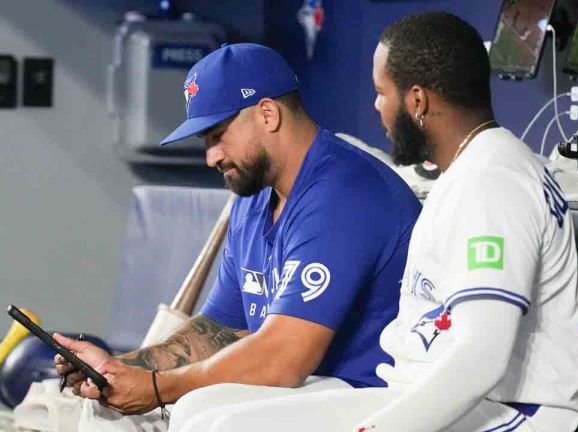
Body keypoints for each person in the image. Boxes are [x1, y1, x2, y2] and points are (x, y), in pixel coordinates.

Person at [169, 12, 578, 432]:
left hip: (512, 414)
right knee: (197, 411)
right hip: (423, 394)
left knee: (225, 429)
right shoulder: (468, 172)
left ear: (417, 101)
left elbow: (481, 358)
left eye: (381, 93)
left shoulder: (491, 183)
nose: (376, 107)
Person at [53, 43, 421, 431]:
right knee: (108, 410)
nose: (211, 157)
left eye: (217, 135)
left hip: (372, 399)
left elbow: (284, 359)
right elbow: (223, 329)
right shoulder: (254, 195)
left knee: (206, 417)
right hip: (307, 393)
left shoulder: (345, 192)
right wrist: (118, 370)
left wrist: (160, 388)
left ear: (267, 113)